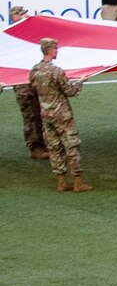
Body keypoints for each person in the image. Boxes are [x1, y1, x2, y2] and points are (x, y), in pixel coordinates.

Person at [31, 38, 88, 191]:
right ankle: (78, 182)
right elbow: (70, 91)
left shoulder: (34, 70)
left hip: (46, 114)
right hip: (62, 114)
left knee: (54, 147)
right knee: (72, 146)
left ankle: (61, 181)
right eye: (55, 49)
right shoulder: (56, 72)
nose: (57, 51)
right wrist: (81, 81)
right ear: (50, 50)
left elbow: (33, 88)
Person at [11, 10, 48, 161]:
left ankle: (42, 144)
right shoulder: (11, 36)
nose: (25, 16)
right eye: (21, 14)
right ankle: (35, 147)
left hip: (32, 81)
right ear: (14, 17)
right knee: (31, 115)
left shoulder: (25, 34)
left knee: (39, 113)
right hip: (22, 84)